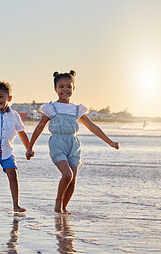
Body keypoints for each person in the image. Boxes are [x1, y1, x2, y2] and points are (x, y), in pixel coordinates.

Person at [26, 70, 119, 214]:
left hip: (74, 144)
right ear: (55, 89)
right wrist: (30, 147)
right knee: (67, 175)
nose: (65, 89)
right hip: (57, 143)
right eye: (61, 86)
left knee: (73, 180)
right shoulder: (51, 108)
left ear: (73, 88)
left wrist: (110, 142)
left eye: (68, 86)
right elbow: (40, 127)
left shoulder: (77, 109)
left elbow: (93, 127)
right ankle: (57, 203)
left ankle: (64, 207)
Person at [0, 81, 30, 213]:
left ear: (9, 98)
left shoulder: (14, 115)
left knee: (13, 175)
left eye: (1, 96)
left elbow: (22, 133)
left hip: (8, 152)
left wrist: (29, 148)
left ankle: (16, 204)